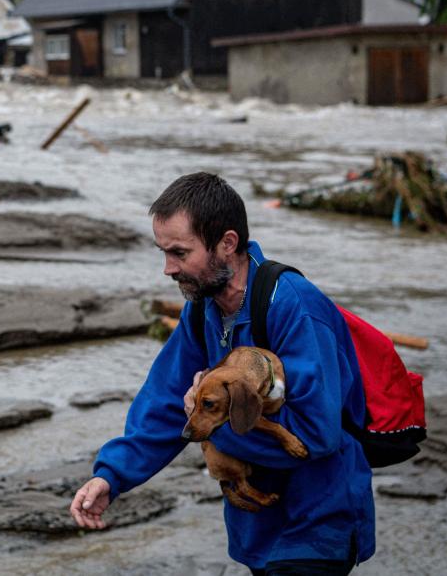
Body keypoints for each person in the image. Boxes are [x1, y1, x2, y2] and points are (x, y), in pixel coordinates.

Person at [69, 172, 374, 575]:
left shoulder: (295, 307)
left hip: (316, 526)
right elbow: (165, 400)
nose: (167, 268)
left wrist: (212, 420)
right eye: (163, 252)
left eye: (179, 252)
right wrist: (112, 476)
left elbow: (316, 435)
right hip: (256, 527)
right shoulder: (205, 308)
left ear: (227, 244)